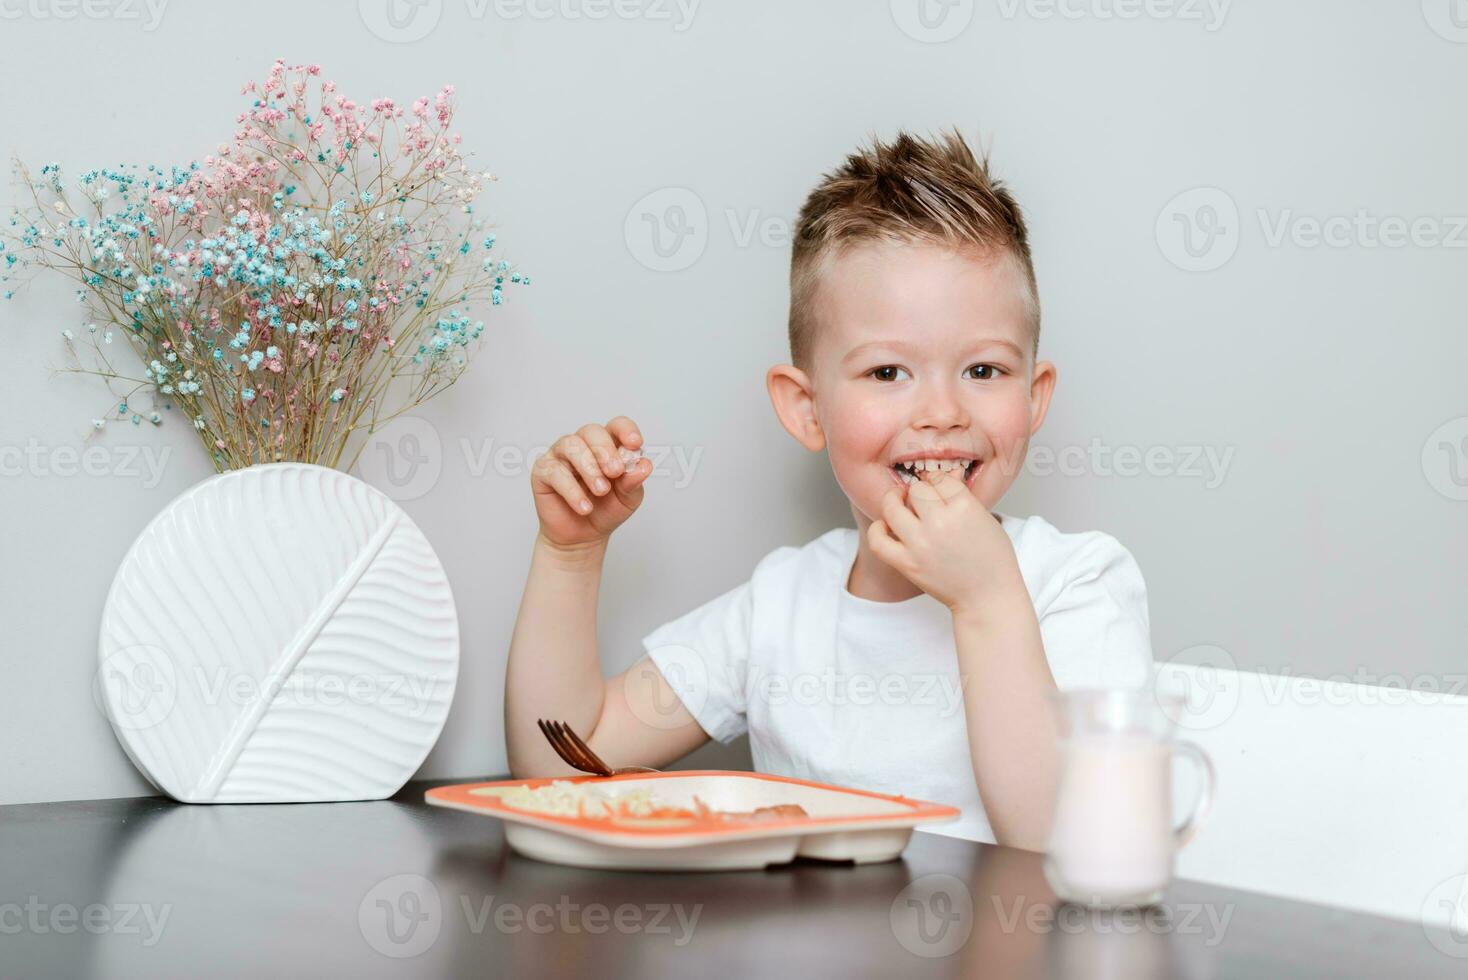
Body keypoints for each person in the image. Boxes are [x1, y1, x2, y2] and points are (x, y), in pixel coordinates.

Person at [504, 130, 1152, 850]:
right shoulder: (781, 606)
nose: (943, 411)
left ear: (1034, 397)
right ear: (806, 408)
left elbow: (1071, 844)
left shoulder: (1079, 585)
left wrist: (988, 601)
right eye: (887, 373)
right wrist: (570, 555)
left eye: (983, 371)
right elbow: (561, 763)